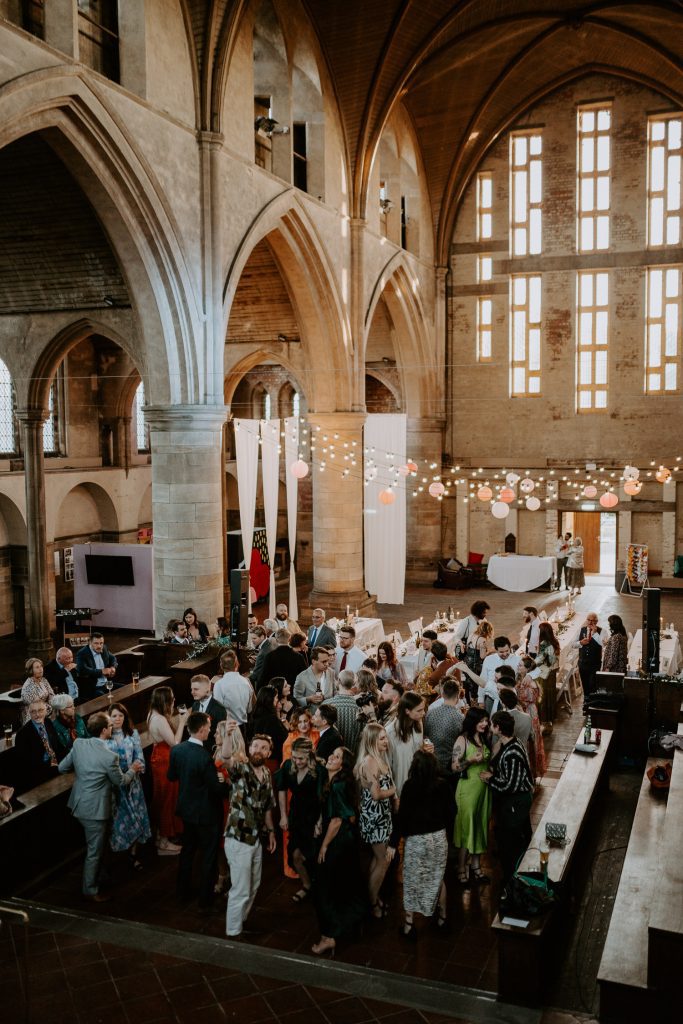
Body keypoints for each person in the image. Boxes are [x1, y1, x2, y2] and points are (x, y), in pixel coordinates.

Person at [58, 711, 143, 901]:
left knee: (97, 846)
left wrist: (83, 770)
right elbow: (120, 781)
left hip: (78, 803)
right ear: (105, 730)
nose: (112, 727)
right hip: (95, 810)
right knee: (94, 851)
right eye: (110, 726)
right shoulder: (109, 756)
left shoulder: (79, 744)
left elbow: (62, 767)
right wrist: (132, 770)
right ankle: (90, 889)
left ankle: (101, 875)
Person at [168, 710, 228, 912]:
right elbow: (216, 789)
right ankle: (205, 901)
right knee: (208, 856)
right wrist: (225, 782)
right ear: (202, 730)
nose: (210, 732)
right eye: (209, 729)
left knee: (187, 852)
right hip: (207, 813)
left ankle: (182, 892)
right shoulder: (204, 757)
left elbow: (171, 776)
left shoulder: (177, 750)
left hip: (186, 809)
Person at [311, 746, 367, 956]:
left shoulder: (339, 785)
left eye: (336, 756)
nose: (330, 757)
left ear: (343, 765)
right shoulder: (331, 780)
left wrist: (324, 845)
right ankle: (349, 926)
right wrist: (319, 819)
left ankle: (329, 936)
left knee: (326, 888)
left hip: (338, 840)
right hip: (341, 836)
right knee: (342, 883)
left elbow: (337, 820)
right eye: (331, 754)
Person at [223, 734, 278, 937]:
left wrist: (271, 832)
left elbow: (267, 807)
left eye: (263, 748)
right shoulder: (241, 769)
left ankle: (240, 919)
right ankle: (233, 932)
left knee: (253, 885)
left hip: (256, 839)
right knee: (241, 888)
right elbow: (226, 757)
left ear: (269, 753)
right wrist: (228, 735)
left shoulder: (266, 773)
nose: (258, 750)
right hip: (238, 838)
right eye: (254, 746)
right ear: (249, 749)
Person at [395, 748, 451, 937]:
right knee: (438, 877)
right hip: (438, 837)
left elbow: (402, 817)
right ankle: (443, 919)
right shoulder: (443, 785)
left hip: (418, 839)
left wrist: (393, 843)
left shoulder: (410, 786)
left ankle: (409, 925)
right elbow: (453, 810)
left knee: (411, 880)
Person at [480, 710, 534, 883]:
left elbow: (511, 786)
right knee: (518, 838)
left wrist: (490, 779)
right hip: (515, 801)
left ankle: (513, 882)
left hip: (516, 802)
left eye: (492, 724)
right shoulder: (511, 743)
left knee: (511, 844)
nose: (489, 726)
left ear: (498, 729)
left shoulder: (512, 753)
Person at [355, 722, 396, 918]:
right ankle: (371, 903)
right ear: (371, 741)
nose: (386, 741)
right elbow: (377, 795)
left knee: (377, 860)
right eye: (381, 738)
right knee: (383, 861)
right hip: (375, 818)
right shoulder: (370, 762)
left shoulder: (379, 758)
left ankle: (371, 896)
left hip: (383, 816)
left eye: (385, 737)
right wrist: (395, 791)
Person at [275, 736, 325, 901]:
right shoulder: (289, 765)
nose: (297, 761)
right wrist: (283, 814)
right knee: (295, 855)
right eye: (294, 757)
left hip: (314, 816)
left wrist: (319, 821)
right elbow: (281, 788)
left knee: (313, 856)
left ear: (310, 755)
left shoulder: (319, 770)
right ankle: (307, 885)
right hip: (296, 814)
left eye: (301, 758)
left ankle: (318, 887)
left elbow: (323, 798)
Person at [106, 703, 151, 870]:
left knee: (136, 817)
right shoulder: (105, 737)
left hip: (134, 784)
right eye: (114, 716)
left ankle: (133, 854)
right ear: (108, 718)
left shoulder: (132, 734)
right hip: (116, 786)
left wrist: (134, 769)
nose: (117, 719)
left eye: (120, 716)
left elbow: (139, 756)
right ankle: (121, 855)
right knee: (119, 820)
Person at [452, 707, 492, 887]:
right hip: (467, 791)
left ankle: (476, 866)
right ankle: (461, 868)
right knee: (466, 828)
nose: (484, 724)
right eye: (481, 720)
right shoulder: (462, 740)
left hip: (483, 791)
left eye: (486, 720)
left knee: (480, 826)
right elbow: (454, 767)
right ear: (473, 721)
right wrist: (470, 761)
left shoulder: (484, 738)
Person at [147, 686, 187, 854]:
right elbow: (175, 743)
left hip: (159, 756)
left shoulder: (153, 714)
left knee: (163, 796)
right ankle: (163, 841)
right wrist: (183, 722)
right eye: (171, 698)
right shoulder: (159, 719)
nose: (174, 701)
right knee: (167, 799)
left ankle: (160, 835)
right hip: (164, 760)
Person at [385, 692, 431, 798]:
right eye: (419, 710)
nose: (423, 713)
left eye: (423, 709)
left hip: (417, 782)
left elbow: (416, 752)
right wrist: (395, 797)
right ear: (407, 711)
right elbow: (387, 766)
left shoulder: (418, 725)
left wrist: (425, 750)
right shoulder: (390, 732)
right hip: (400, 786)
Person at [14, 698, 66, 792]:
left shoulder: (48, 722)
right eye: (33, 712)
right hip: (38, 772)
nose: (37, 715)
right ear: (29, 713)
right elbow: (25, 763)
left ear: (46, 710)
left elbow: (58, 746)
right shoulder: (22, 734)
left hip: (56, 764)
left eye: (40, 710)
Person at [424, 678, 465, 772]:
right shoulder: (460, 718)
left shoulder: (430, 712)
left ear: (442, 694)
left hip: (431, 761)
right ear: (457, 695)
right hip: (448, 764)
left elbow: (425, 735)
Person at [515, 661, 547, 779]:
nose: (518, 666)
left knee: (530, 740)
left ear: (527, 669)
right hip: (529, 711)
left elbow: (524, 699)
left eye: (521, 665)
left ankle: (530, 772)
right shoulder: (523, 680)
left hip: (527, 712)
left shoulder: (529, 684)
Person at [247, 685, 289, 765]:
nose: (277, 700)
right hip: (271, 761)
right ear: (270, 699)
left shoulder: (255, 715)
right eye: (276, 697)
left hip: (255, 758)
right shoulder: (271, 719)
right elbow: (283, 738)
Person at [213, 650, 254, 728]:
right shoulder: (246, 682)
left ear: (221, 665)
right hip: (243, 727)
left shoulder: (219, 684)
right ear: (237, 664)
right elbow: (249, 710)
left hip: (227, 727)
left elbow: (218, 712)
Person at [323, 670, 361, 752]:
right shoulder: (360, 708)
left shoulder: (326, 704)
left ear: (339, 681)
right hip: (353, 756)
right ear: (354, 684)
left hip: (330, 756)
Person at [480, 637, 522, 711]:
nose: (505, 654)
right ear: (496, 650)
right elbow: (483, 678)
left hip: (510, 699)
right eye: (501, 652)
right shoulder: (489, 660)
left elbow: (531, 669)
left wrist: (529, 675)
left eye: (507, 651)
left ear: (510, 648)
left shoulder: (518, 660)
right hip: (491, 698)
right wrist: (480, 699)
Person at [188, 673, 227, 751]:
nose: (192, 692)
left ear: (207, 690)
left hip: (211, 750)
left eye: (196, 689)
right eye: (192, 689)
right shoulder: (195, 705)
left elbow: (223, 735)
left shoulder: (219, 709)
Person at [76, 633, 118, 700]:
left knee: (126, 689)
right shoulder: (82, 653)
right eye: (96, 643)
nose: (99, 646)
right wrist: (101, 672)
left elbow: (113, 658)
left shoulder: (104, 648)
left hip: (107, 684)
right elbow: (82, 670)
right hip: (94, 688)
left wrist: (113, 667)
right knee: (106, 699)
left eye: (101, 643)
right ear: (90, 642)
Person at [535, 622, 559, 730]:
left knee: (543, 697)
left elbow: (541, 659)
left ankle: (544, 722)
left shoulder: (545, 643)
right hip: (552, 673)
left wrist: (531, 661)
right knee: (550, 696)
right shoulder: (554, 642)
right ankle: (549, 720)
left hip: (545, 673)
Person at [575, 612, 603, 694]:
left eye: (593, 620)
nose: (590, 622)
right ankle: (586, 701)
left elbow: (603, 644)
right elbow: (573, 645)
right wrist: (580, 643)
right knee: (585, 685)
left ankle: (592, 702)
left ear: (596, 621)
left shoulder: (602, 631)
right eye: (588, 620)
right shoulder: (581, 630)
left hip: (595, 664)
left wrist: (595, 633)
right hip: (582, 663)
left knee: (593, 685)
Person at [20, 658, 55, 724]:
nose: (41, 669)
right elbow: (37, 706)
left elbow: (52, 695)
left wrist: (53, 703)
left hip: (47, 712)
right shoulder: (28, 686)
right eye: (37, 667)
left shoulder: (43, 680)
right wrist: (52, 707)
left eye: (41, 666)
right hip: (35, 717)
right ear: (31, 670)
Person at [250, 619, 278, 687]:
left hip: (265, 685)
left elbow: (254, 676)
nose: (252, 641)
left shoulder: (262, 653)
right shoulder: (271, 641)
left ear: (262, 637)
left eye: (254, 638)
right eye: (251, 638)